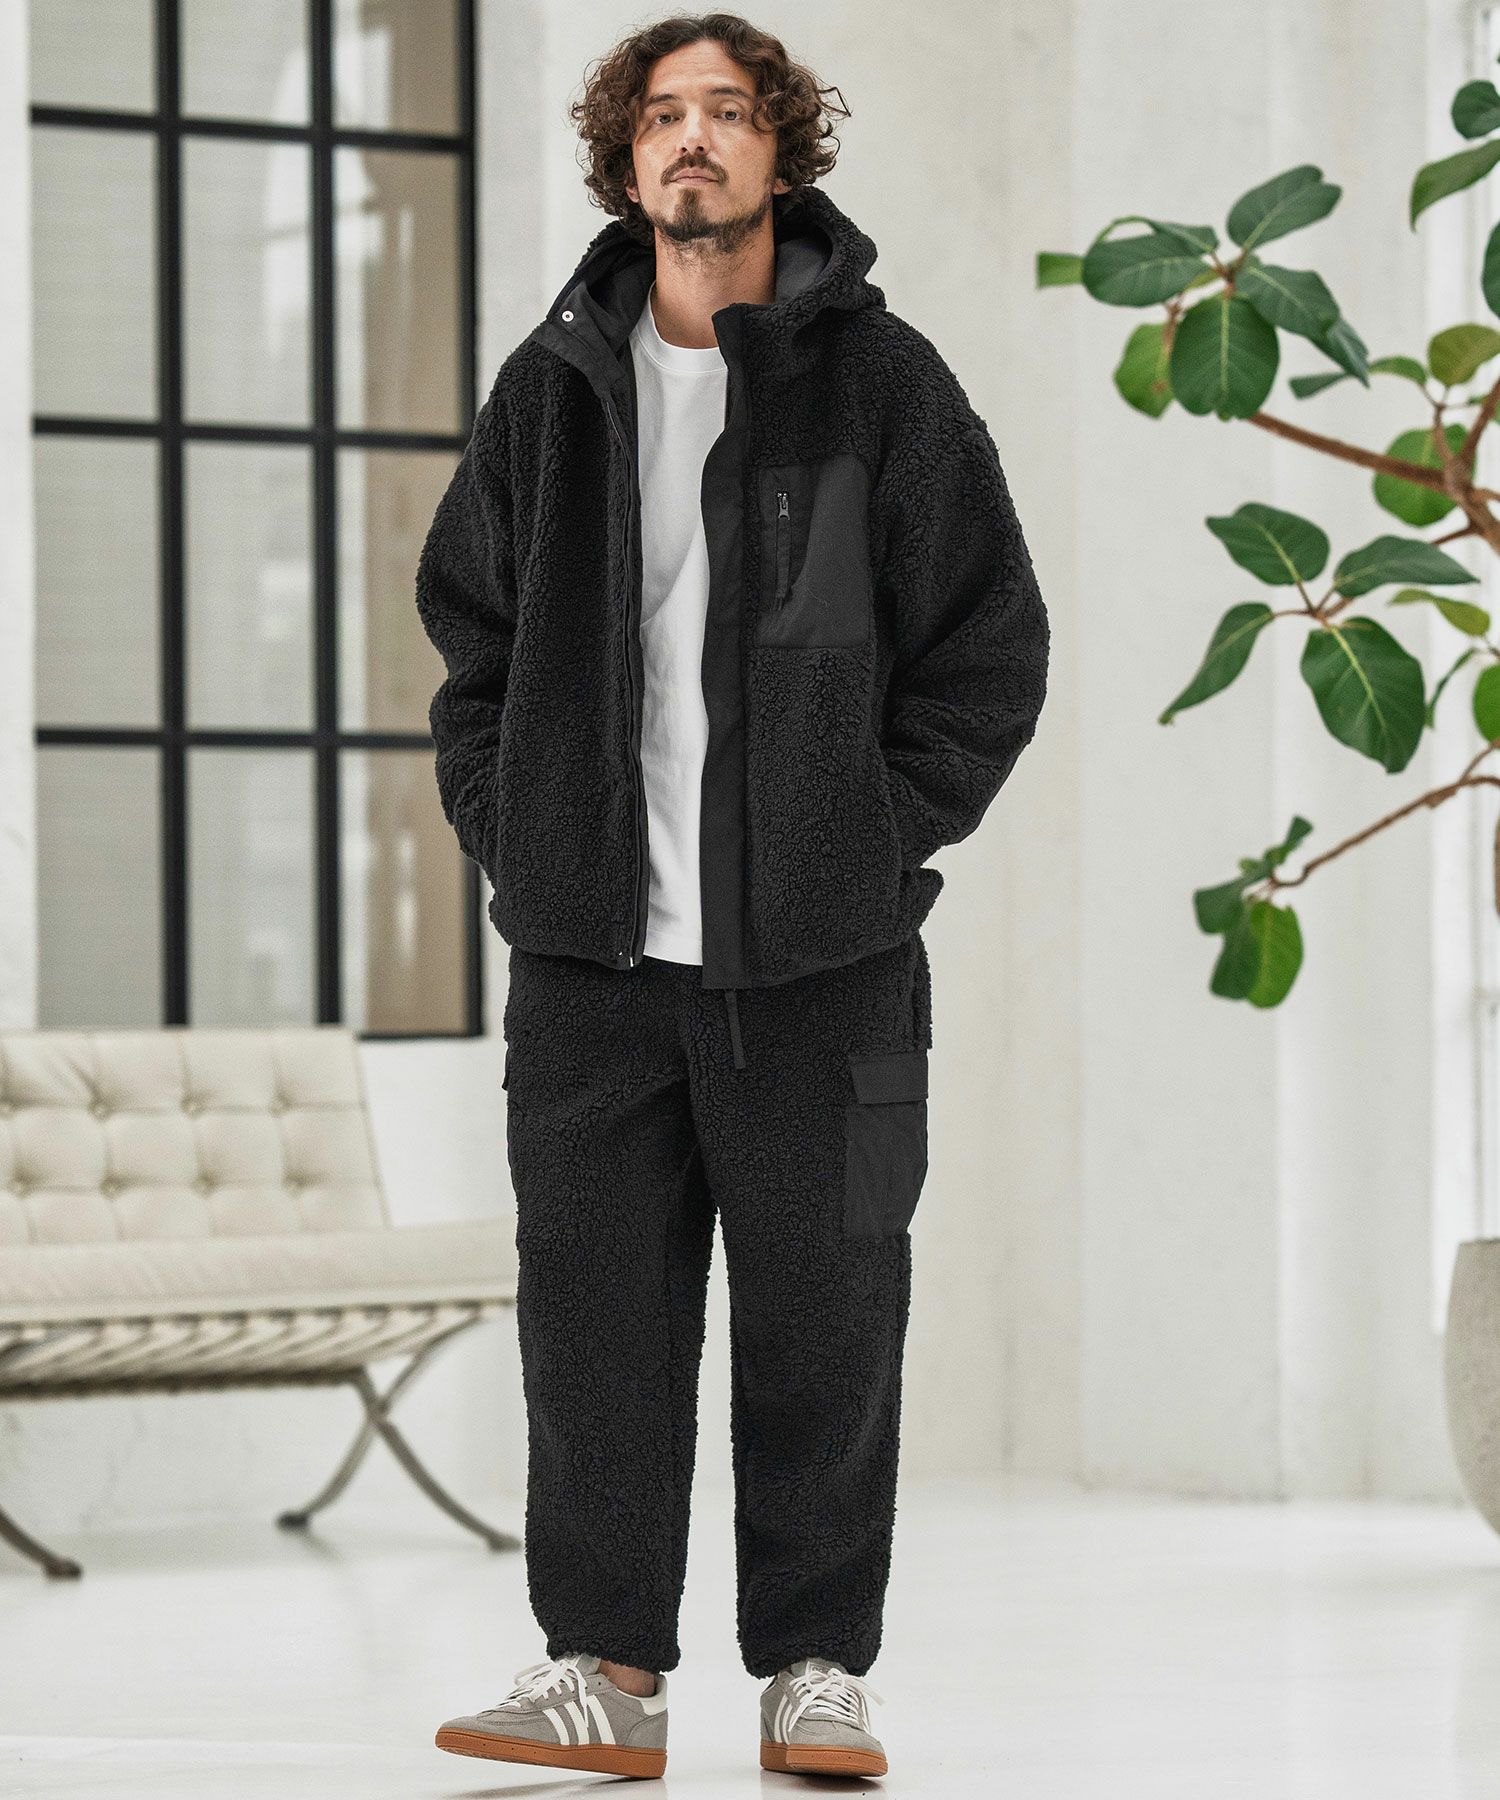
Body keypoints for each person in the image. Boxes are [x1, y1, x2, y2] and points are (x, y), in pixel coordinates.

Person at [416, 10, 1049, 1783]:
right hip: (590, 968)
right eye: (661, 116)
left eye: (727, 111)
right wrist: (516, 832)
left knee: (831, 1324)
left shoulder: (885, 386)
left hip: (829, 967)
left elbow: (990, 650)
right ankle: (606, 1677)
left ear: (783, 149)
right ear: (626, 161)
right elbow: (469, 639)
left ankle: (817, 1675)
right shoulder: (553, 389)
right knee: (593, 1333)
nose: (691, 139)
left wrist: (872, 841)